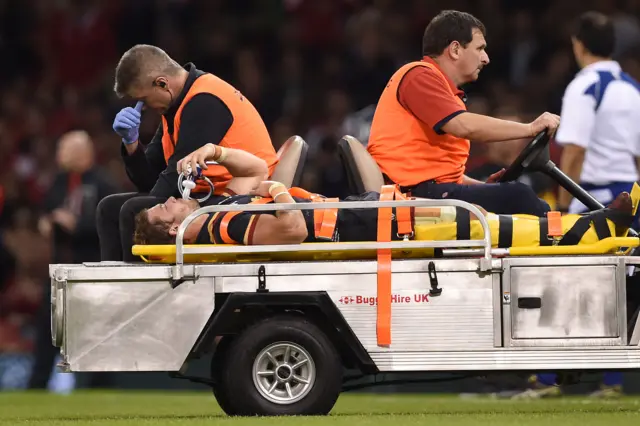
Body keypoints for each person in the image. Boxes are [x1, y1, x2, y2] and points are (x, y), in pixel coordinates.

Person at [132, 144, 636, 248]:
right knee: (487, 224)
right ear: (174, 227)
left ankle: (590, 226)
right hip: (364, 226)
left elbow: (253, 167)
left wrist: (215, 152)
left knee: (484, 218)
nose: (167, 199)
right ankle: (591, 230)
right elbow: (289, 227)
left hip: (367, 217)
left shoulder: (217, 209)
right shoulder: (214, 227)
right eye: (162, 208)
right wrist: (280, 192)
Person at [521, 11, 640, 400]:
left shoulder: (584, 86)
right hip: (631, 198)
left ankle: (549, 378)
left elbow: (573, 151)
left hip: (592, 199)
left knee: (559, 283)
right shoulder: (631, 88)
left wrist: (562, 205)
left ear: (579, 44)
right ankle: (612, 383)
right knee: (622, 290)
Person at [366, 10, 560, 217]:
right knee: (519, 195)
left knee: (514, 193)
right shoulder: (419, 76)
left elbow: (442, 173)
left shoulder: (446, 91)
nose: (486, 59)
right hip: (413, 194)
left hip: (426, 191)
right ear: (455, 50)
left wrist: (483, 187)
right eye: (480, 48)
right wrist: (530, 129)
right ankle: (564, 241)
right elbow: (463, 125)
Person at [97, 44, 278, 261]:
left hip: (240, 194)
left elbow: (173, 179)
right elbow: (149, 181)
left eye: (143, 99)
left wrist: (156, 208)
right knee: (108, 208)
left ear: (162, 83)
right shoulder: (176, 107)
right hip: (206, 194)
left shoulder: (205, 101)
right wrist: (131, 143)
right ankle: (111, 285)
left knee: (134, 211)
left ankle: (138, 291)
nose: (142, 108)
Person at [29, 130, 118, 391]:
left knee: (95, 331)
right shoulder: (58, 181)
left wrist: (76, 226)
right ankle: (36, 385)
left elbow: (110, 225)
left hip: (90, 270)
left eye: (64, 150)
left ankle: (99, 387)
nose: (59, 155)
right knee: (47, 328)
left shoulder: (103, 183)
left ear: (82, 152)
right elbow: (47, 211)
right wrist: (46, 222)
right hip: (59, 270)